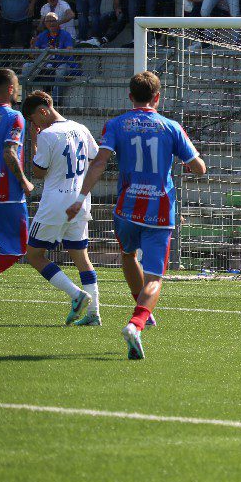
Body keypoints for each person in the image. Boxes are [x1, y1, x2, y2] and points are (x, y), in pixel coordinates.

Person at [66, 71, 207, 359]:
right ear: (157, 97)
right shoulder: (170, 127)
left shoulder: (116, 124)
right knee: (155, 276)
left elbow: (99, 163)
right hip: (159, 210)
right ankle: (137, 322)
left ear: (130, 96)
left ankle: (141, 309)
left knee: (128, 256)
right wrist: (190, 164)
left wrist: (80, 198)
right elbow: (199, 168)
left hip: (127, 208)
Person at [20, 90, 101, 325]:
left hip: (55, 204)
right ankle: (94, 314)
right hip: (79, 201)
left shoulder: (47, 135)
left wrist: (36, 141)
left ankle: (76, 295)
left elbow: (38, 171)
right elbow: (95, 158)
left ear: (43, 111)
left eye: (33, 118)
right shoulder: (81, 128)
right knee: (81, 256)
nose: (34, 124)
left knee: (34, 255)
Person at [0, 69, 32, 279]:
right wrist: (24, 181)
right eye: (16, 87)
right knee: (17, 249)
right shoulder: (14, 117)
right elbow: (9, 151)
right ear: (9, 89)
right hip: (7, 197)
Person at [22, 13, 76, 102]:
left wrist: (54, 50)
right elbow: (32, 56)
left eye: (53, 20)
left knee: (61, 69)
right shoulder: (42, 35)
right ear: (45, 24)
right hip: (45, 66)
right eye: (48, 21)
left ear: (58, 22)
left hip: (63, 64)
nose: (51, 23)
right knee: (26, 66)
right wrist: (32, 45)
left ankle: (55, 101)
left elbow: (69, 52)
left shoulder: (65, 34)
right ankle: (24, 99)